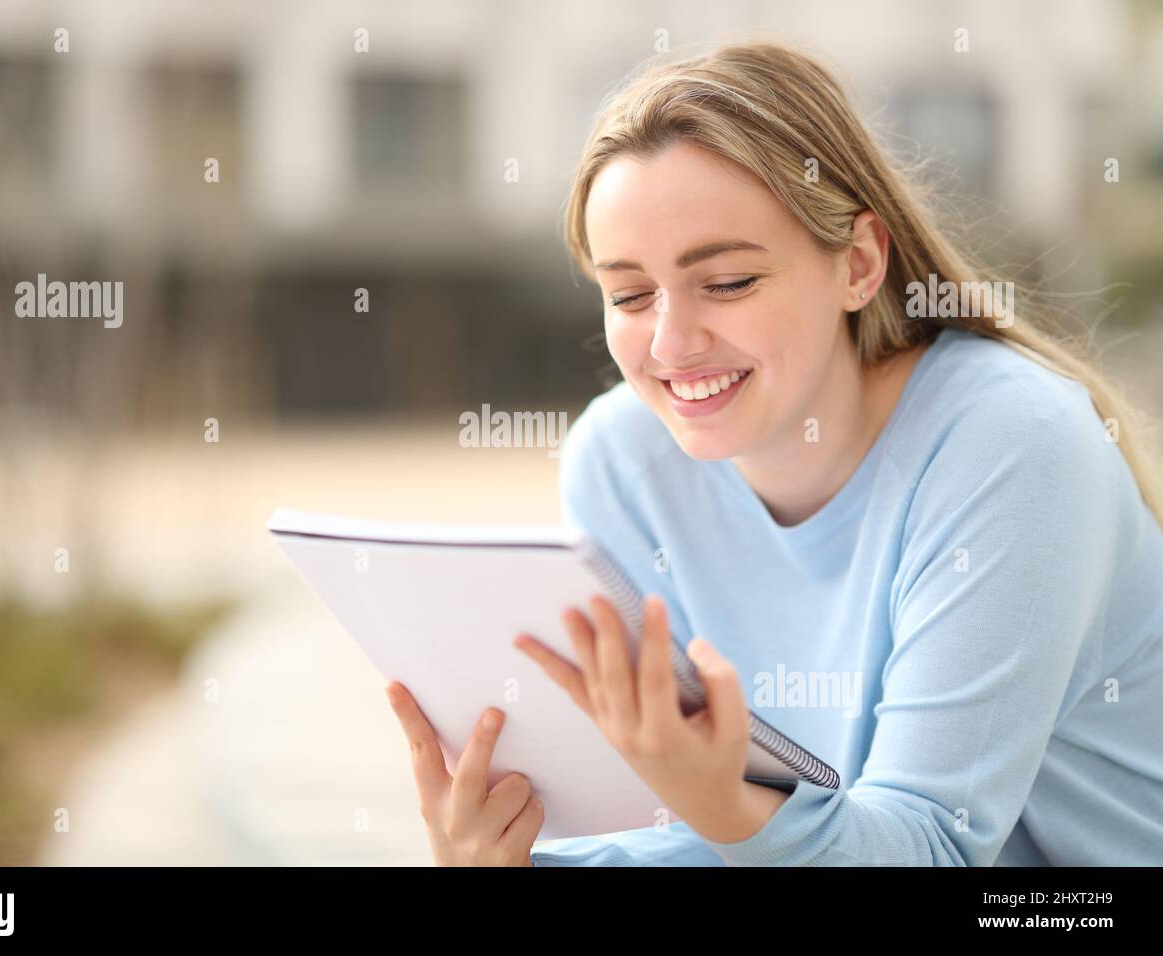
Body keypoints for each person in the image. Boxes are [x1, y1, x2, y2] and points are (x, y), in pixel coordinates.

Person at [386, 40, 1163, 866]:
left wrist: (725, 802)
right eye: (630, 294)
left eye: (727, 283)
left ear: (858, 265)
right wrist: (512, 859)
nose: (673, 344)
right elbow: (715, 842)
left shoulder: (1012, 446)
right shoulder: (620, 463)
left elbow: (928, 849)